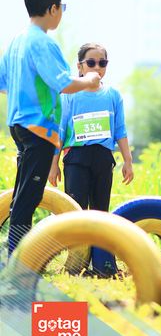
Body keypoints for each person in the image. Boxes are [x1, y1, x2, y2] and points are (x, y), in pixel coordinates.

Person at [0, 0, 101, 254]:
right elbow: (63, 83)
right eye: (61, 8)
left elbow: (3, 83)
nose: (61, 13)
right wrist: (90, 80)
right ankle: (19, 261)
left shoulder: (16, 42)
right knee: (28, 197)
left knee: (23, 192)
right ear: (53, 8)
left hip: (18, 124)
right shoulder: (43, 43)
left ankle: (15, 255)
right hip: (39, 129)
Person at [48, 43, 133, 213]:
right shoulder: (68, 95)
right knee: (75, 210)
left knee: (100, 211)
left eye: (102, 63)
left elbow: (120, 130)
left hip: (103, 159)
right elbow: (60, 131)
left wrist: (128, 161)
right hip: (76, 158)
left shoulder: (113, 95)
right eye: (91, 63)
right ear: (80, 66)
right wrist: (53, 164)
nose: (97, 67)